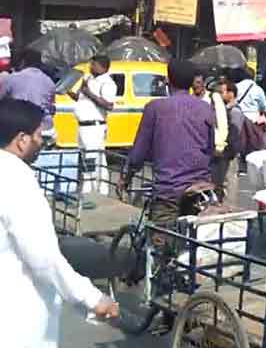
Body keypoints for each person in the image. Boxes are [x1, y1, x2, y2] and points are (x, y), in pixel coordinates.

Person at [0, 98, 118, 348]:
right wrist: (91, 297)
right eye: (39, 135)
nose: (43, 141)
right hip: (16, 311)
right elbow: (42, 257)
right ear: (22, 140)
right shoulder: (17, 180)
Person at [122, 60, 214, 243]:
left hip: (168, 188)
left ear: (168, 80)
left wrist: (127, 176)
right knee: (195, 245)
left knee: (160, 245)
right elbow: (210, 148)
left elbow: (139, 152)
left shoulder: (155, 108)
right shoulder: (205, 108)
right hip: (200, 188)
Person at [66, 55, 116, 194]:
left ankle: (91, 189)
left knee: (92, 157)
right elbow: (81, 98)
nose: (90, 67)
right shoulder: (88, 79)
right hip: (82, 125)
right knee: (86, 157)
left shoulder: (107, 83)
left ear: (103, 67)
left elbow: (108, 105)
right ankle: (95, 187)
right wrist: (72, 93)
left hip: (94, 126)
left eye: (93, 65)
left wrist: (89, 93)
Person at [0, 48, 56, 143]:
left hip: (22, 132)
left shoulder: (11, 79)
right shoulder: (49, 81)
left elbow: (1, 102)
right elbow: (52, 108)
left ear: (23, 62)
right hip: (47, 129)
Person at [193, 73, 229, 199]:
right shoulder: (190, 99)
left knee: (213, 184)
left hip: (214, 148)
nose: (195, 86)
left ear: (203, 84)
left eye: (198, 82)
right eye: (193, 83)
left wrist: (220, 145)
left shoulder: (214, 98)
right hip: (197, 148)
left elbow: (222, 122)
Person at [214, 78, 245, 201]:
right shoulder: (226, 110)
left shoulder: (235, 112)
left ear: (231, 94)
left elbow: (234, 134)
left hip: (230, 153)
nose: (221, 95)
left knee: (229, 182)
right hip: (224, 153)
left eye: (223, 92)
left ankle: (229, 208)